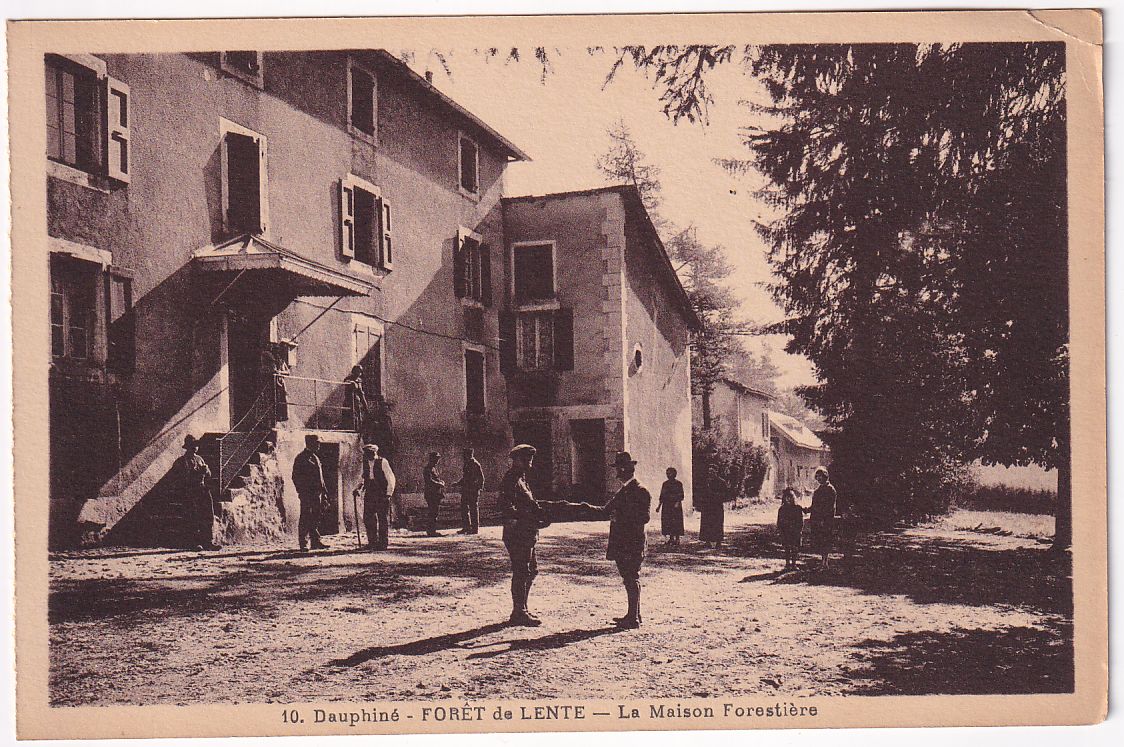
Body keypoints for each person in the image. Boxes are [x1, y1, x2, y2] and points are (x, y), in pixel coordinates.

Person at [498, 444, 577, 626]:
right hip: (518, 534)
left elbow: (529, 503)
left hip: (527, 533)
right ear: (515, 460)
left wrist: (542, 512)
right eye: (525, 459)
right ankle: (519, 612)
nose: (529, 463)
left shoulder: (521, 479)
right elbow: (506, 506)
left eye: (530, 459)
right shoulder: (511, 480)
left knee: (531, 571)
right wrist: (525, 518)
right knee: (522, 572)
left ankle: (521, 608)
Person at [576, 452, 652, 629]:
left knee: (631, 577)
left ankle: (633, 618)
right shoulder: (623, 491)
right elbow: (604, 510)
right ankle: (634, 614)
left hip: (633, 542)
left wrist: (621, 516)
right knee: (628, 577)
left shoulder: (641, 491)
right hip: (622, 541)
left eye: (619, 468)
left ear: (625, 469)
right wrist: (585, 508)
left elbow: (645, 518)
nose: (617, 472)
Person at [177, 435, 220, 551]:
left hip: (202, 489)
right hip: (190, 491)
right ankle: (194, 542)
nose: (196, 448)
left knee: (207, 515)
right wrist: (196, 473)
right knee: (193, 516)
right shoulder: (182, 461)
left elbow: (208, 474)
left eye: (196, 446)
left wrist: (206, 471)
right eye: (193, 446)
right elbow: (182, 477)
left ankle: (208, 541)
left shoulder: (200, 459)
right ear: (188, 447)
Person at [292, 434, 329, 552]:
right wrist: (301, 491)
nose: (319, 445)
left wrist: (324, 492)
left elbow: (320, 477)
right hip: (307, 494)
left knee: (316, 517)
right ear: (310, 444)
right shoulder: (301, 458)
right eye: (317, 443)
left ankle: (315, 541)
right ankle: (303, 543)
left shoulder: (316, 458)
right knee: (305, 517)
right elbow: (295, 477)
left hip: (318, 494)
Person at [357, 443, 395, 551]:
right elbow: (363, 478)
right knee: (368, 517)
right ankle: (372, 542)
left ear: (375, 452)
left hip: (381, 493)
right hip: (370, 492)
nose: (368, 455)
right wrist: (358, 489)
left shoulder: (382, 462)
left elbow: (391, 478)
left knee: (382, 518)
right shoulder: (365, 463)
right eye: (366, 453)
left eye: (370, 453)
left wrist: (388, 494)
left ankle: (383, 543)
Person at [809, 466, 839, 568]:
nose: (818, 479)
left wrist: (823, 519)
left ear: (825, 476)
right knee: (820, 540)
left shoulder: (830, 489)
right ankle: (823, 562)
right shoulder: (818, 490)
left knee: (826, 540)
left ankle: (825, 562)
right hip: (817, 519)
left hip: (826, 520)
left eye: (820, 476)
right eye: (817, 477)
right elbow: (814, 505)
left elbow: (830, 507)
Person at [452, 447, 485, 535]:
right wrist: (458, 483)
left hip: (472, 491)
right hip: (466, 490)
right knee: (464, 509)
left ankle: (474, 529)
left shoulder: (475, 464)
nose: (463, 457)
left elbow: (481, 478)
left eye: (465, 455)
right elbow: (465, 478)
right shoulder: (467, 464)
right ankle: (466, 527)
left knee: (473, 509)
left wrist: (478, 488)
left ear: (470, 455)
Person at [698, 466, 728, 549]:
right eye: (709, 471)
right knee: (706, 523)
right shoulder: (706, 482)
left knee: (717, 523)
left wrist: (714, 495)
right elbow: (702, 493)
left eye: (712, 471)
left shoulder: (721, 482)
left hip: (717, 506)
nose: (710, 473)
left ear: (716, 471)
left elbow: (725, 495)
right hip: (707, 506)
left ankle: (718, 542)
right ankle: (707, 541)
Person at [656, 467, 684, 547]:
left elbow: (681, 495)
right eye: (667, 473)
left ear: (674, 474)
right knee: (668, 521)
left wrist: (677, 502)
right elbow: (662, 495)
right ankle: (671, 538)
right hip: (667, 505)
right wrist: (659, 506)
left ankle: (677, 539)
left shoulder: (678, 484)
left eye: (669, 473)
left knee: (676, 521)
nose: (668, 475)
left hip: (675, 505)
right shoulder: (665, 484)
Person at [777, 487, 804, 570]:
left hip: (795, 532)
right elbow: (779, 521)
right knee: (787, 548)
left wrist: (799, 530)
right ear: (784, 498)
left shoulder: (798, 508)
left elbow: (801, 521)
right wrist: (780, 531)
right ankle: (787, 564)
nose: (789, 499)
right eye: (786, 497)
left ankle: (794, 564)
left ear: (794, 497)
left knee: (795, 548)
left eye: (791, 497)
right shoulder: (782, 509)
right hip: (786, 532)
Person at [422, 451, 446, 537]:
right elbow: (429, 481)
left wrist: (440, 481)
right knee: (433, 512)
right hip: (431, 494)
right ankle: (431, 531)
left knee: (434, 512)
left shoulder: (433, 468)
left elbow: (434, 479)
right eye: (436, 459)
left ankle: (432, 530)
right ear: (432, 459)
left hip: (435, 494)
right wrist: (439, 484)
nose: (437, 461)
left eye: (438, 459)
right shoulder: (428, 469)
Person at [344, 365, 369, 432]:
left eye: (360, 371)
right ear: (354, 371)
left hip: (357, 402)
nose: (359, 373)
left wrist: (365, 406)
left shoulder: (359, 380)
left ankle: (358, 431)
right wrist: (352, 383)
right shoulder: (348, 379)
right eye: (357, 371)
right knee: (350, 418)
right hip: (349, 402)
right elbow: (347, 383)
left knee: (359, 418)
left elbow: (361, 394)